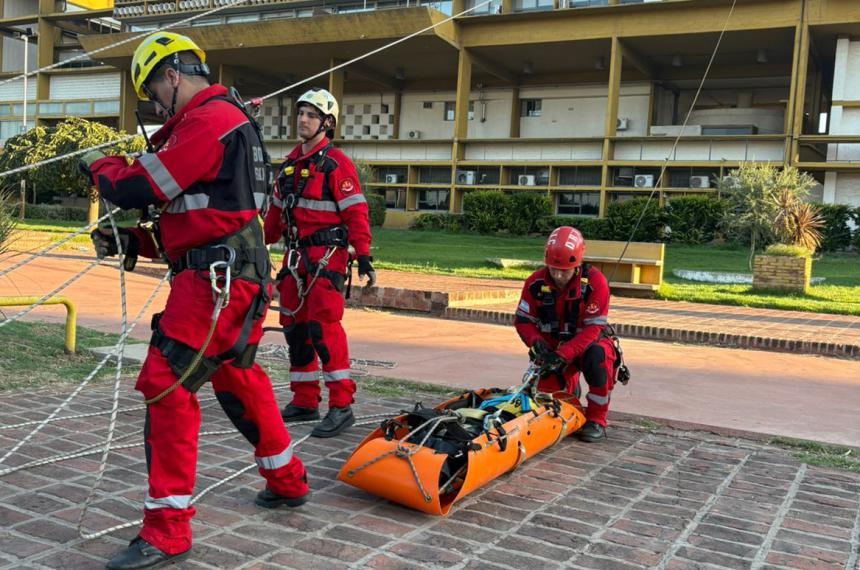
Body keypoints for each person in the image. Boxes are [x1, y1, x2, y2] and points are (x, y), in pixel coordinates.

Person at [79, 31, 309, 570]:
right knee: (236, 375)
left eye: (154, 93)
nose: (157, 106)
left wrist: (100, 167)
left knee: (165, 383)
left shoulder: (209, 121)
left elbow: (142, 186)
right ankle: (287, 478)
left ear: (171, 75)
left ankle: (167, 531)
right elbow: (203, 219)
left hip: (215, 284)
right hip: (234, 274)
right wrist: (134, 242)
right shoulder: (225, 122)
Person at [264, 88, 374, 439]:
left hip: (326, 258)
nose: (303, 120)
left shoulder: (335, 163)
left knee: (323, 329)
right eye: (301, 113)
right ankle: (304, 400)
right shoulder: (288, 167)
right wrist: (253, 242)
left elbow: (355, 211)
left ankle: (341, 405)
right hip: (295, 260)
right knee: (294, 329)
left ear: (327, 123)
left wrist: (364, 255)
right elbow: (274, 219)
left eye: (311, 115)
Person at [514, 226, 622, 443]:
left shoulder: (595, 283)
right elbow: (523, 321)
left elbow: (593, 329)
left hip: (587, 346)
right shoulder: (535, 283)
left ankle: (596, 419)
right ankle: (570, 390)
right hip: (552, 347)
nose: (558, 275)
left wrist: (563, 355)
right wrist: (536, 343)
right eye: (554, 269)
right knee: (547, 399)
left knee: (598, 358)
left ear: (577, 264)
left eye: (565, 270)